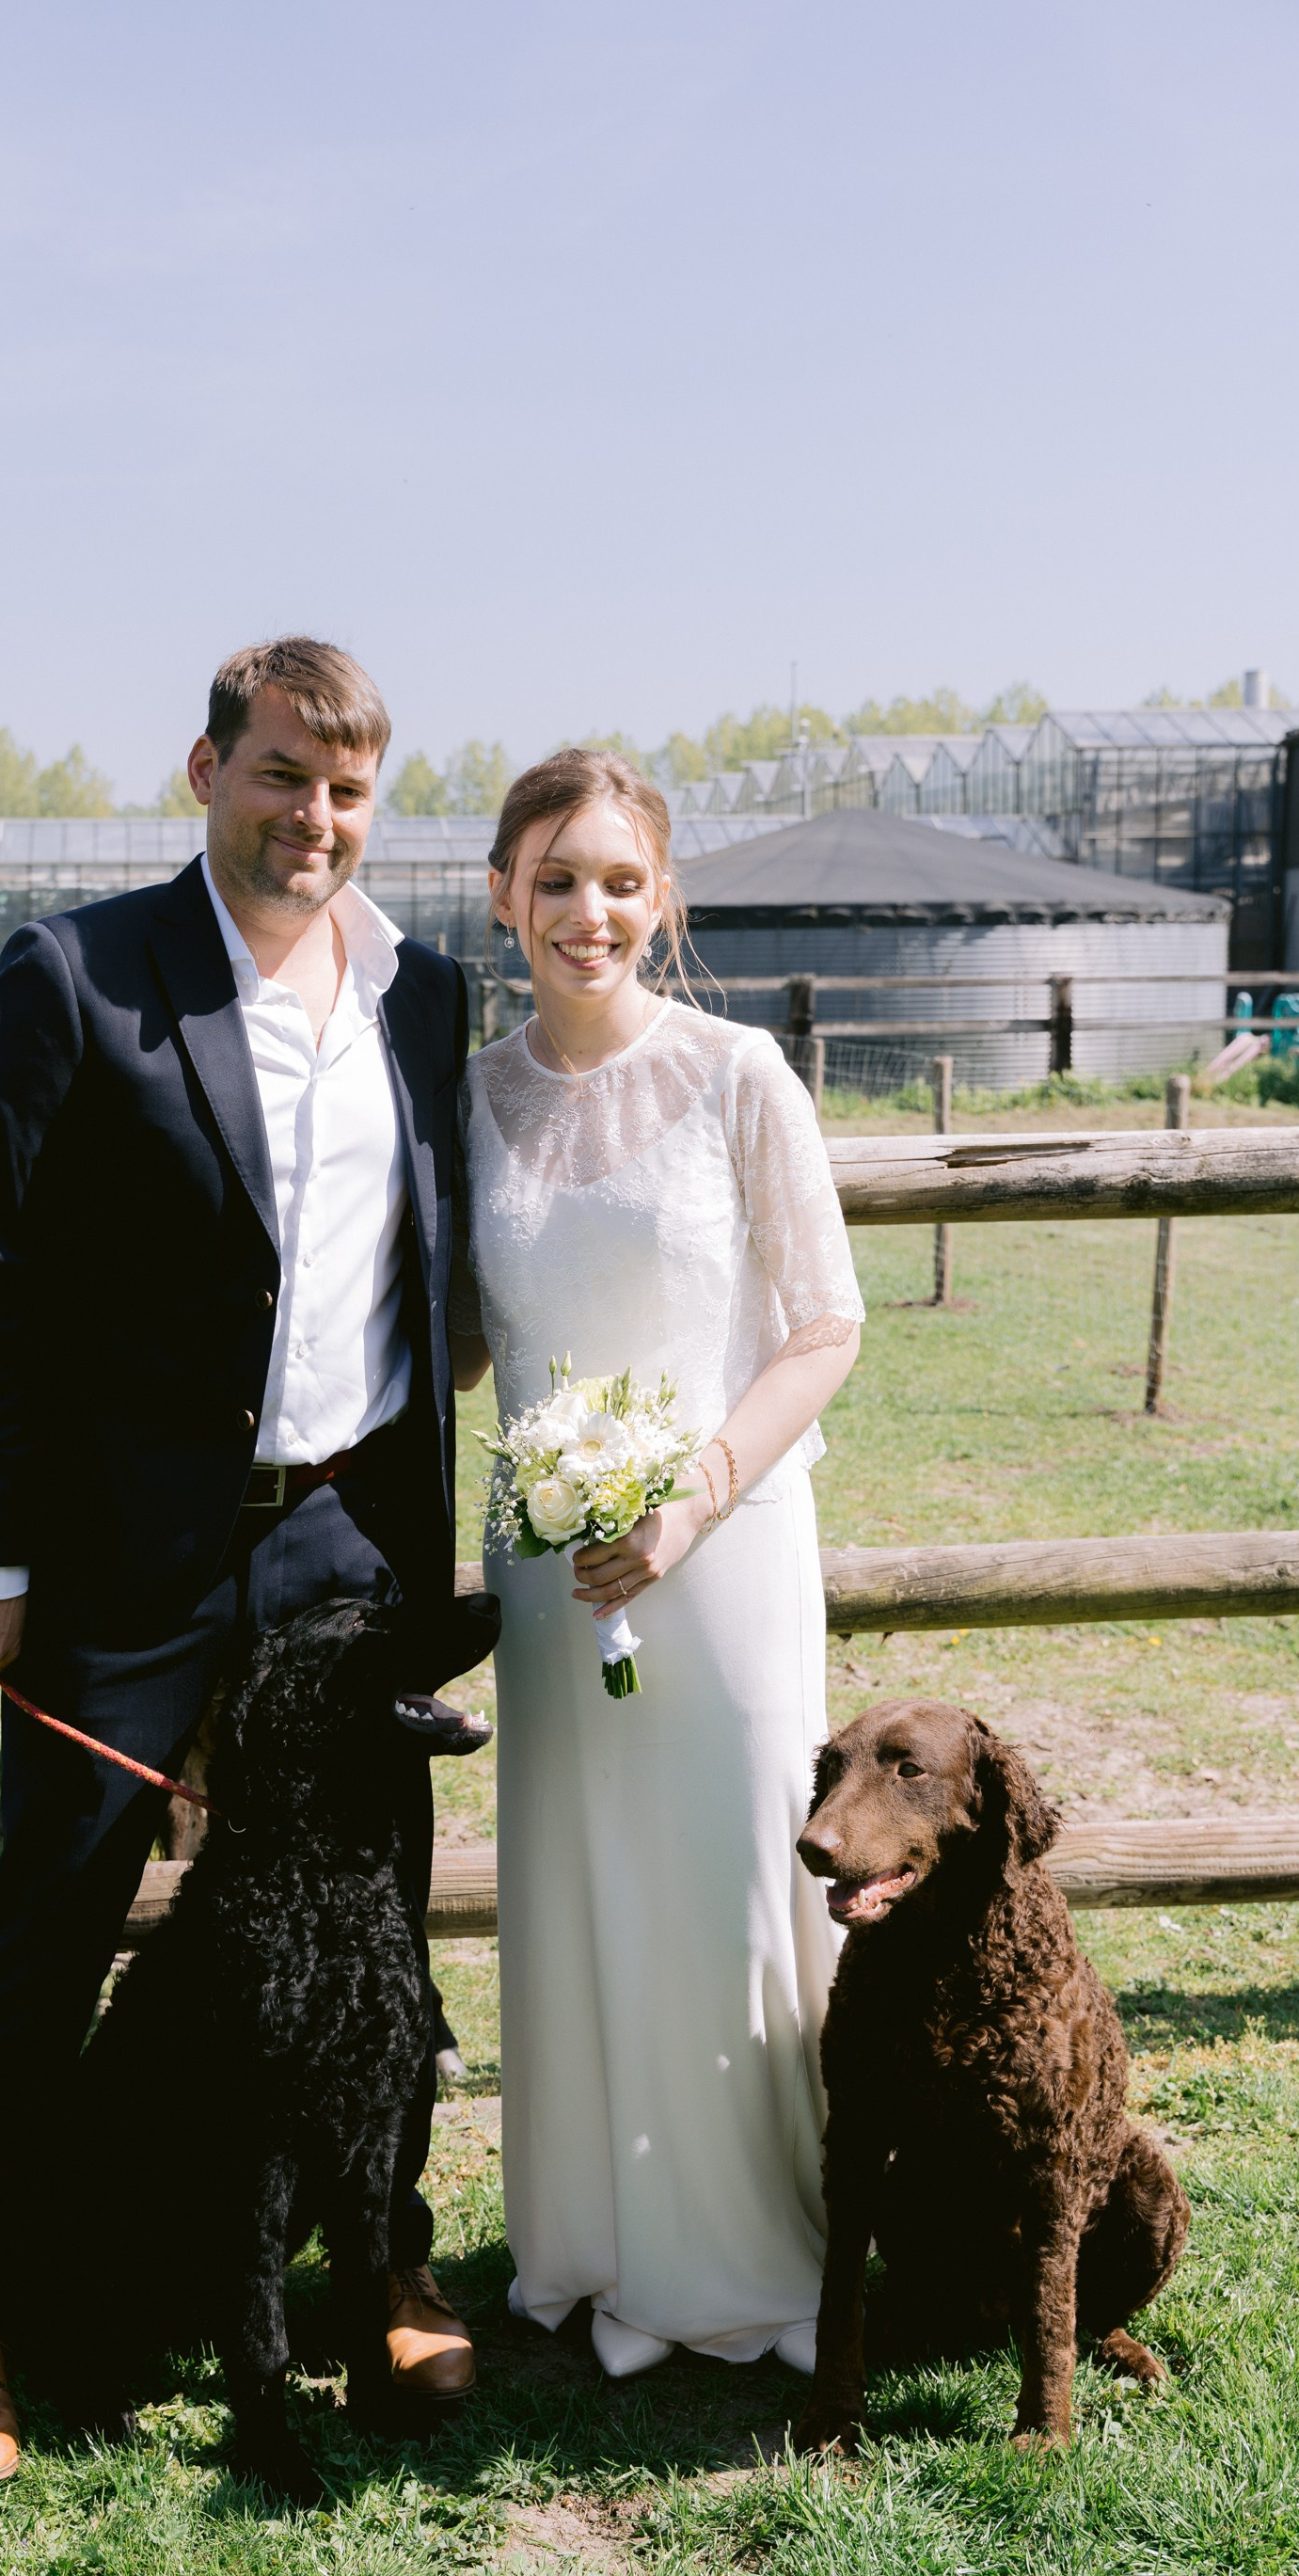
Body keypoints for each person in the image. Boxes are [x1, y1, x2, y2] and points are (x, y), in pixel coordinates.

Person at [0, 638, 478, 2487]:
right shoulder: (73, 975)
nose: (314, 818)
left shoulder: (426, 992)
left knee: (368, 1924)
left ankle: (385, 2260)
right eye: (282, 776)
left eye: (346, 788)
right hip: (119, 1563)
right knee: (50, 1921)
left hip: (348, 1543)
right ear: (206, 769)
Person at [450, 748, 864, 2380]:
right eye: (554, 879)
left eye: (620, 879)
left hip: (724, 1550)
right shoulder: (471, 1094)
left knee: (730, 1881)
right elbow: (458, 1340)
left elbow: (825, 1326)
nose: (588, 911)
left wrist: (691, 1496)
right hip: (553, 1579)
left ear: (663, 896)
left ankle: (761, 2242)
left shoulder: (740, 1070)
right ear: (501, 897)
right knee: (582, 1884)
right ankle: (596, 2238)